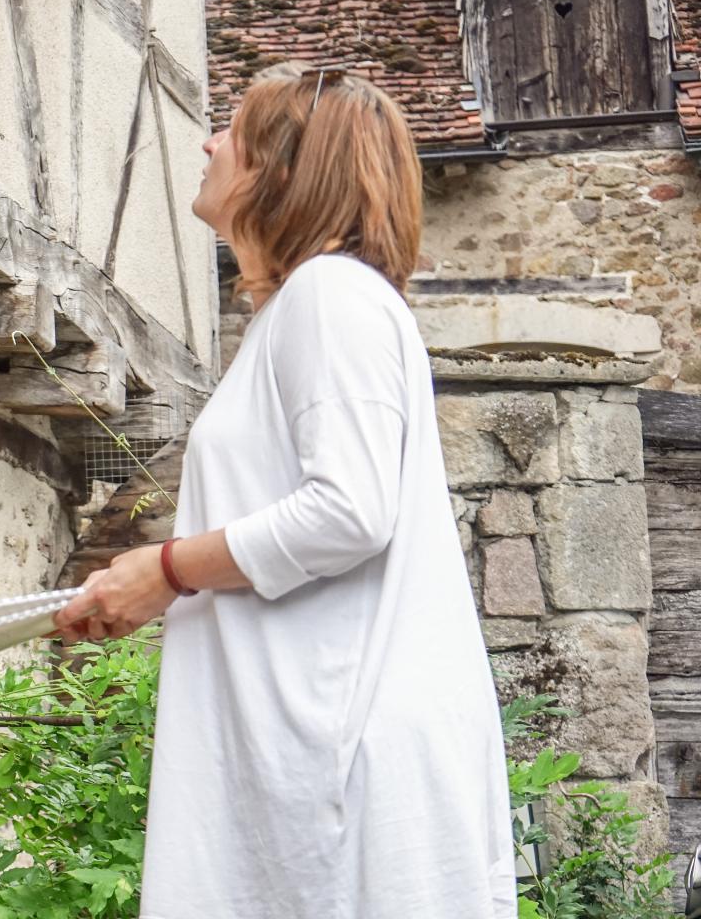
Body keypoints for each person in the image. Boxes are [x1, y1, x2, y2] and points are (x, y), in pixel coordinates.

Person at [48, 62, 518, 918]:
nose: (208, 140)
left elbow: (350, 511)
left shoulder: (330, 298)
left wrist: (168, 569)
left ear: (283, 171)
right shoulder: (309, 309)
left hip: (346, 773)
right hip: (312, 764)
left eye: (233, 130)